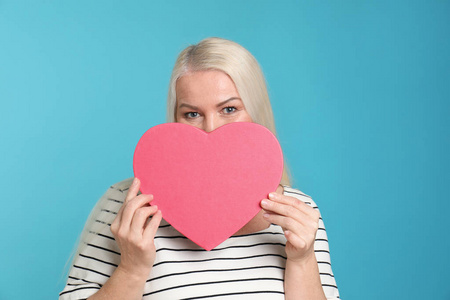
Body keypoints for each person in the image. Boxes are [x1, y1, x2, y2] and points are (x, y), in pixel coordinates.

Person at [60, 37, 340, 300]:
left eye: (229, 109)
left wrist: (302, 260)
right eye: (192, 114)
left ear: (255, 111)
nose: (211, 129)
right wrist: (132, 268)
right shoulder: (129, 206)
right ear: (176, 118)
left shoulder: (300, 215)